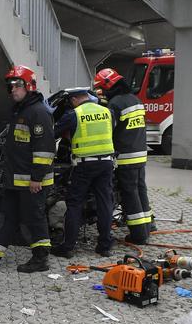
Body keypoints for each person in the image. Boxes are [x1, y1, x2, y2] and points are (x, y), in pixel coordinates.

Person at [0, 64, 55, 273]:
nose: (13, 90)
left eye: (17, 85)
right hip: (15, 180)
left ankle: (41, 259)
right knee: (7, 215)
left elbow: (44, 149)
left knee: (34, 218)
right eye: (11, 86)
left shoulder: (38, 112)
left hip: (32, 181)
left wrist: (36, 178)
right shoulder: (21, 111)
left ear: (29, 86)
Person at [51, 87, 115, 257]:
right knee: (105, 203)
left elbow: (53, 133)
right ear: (87, 96)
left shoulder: (74, 114)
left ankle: (68, 247)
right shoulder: (107, 112)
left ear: (73, 100)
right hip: (107, 163)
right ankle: (104, 247)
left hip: (84, 165)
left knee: (74, 203)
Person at [94, 67, 152, 244]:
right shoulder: (136, 100)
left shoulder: (115, 104)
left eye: (102, 90)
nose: (102, 93)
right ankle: (148, 227)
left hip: (125, 157)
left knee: (130, 194)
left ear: (109, 86)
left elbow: (108, 130)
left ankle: (139, 235)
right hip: (141, 155)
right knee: (141, 191)